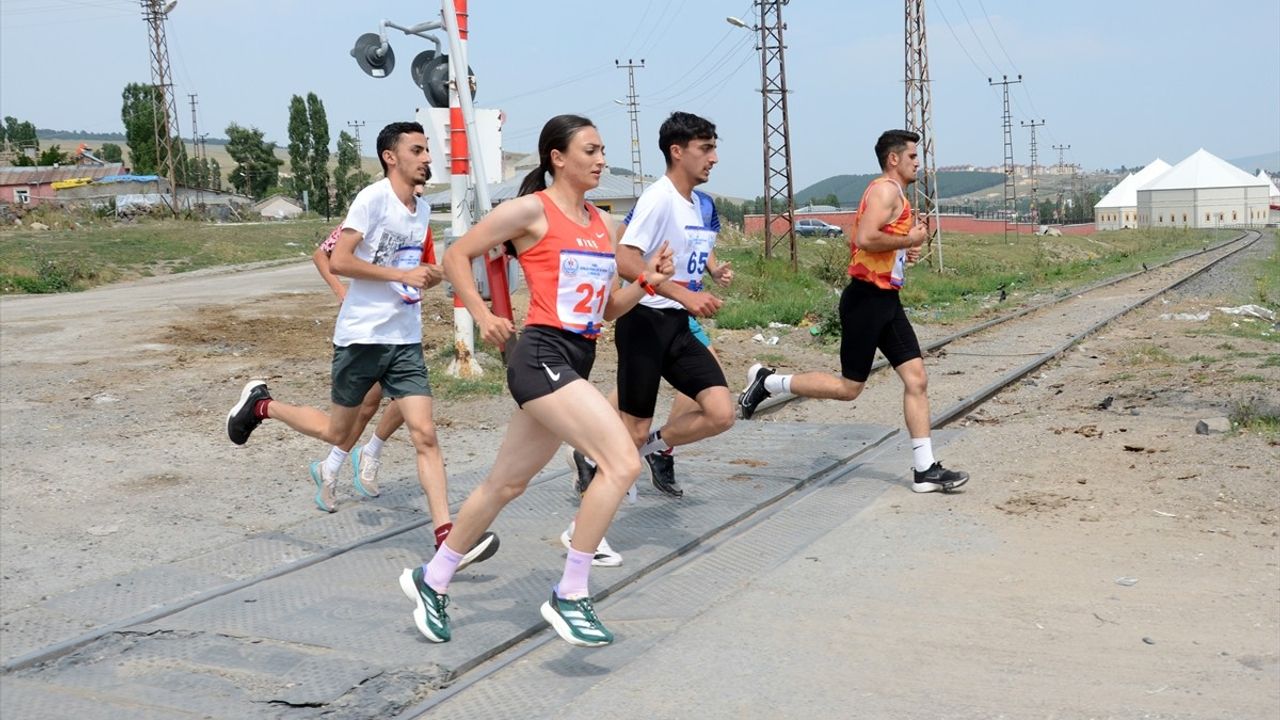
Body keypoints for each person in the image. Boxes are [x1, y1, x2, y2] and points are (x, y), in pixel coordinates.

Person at [398, 114, 675, 647]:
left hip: (575, 356)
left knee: (505, 484)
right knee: (621, 462)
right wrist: (481, 316)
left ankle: (431, 580)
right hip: (540, 355)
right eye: (590, 150)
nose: (601, 160)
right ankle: (571, 593)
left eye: (602, 150)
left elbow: (606, 310)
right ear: (558, 157)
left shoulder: (604, 225)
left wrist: (646, 282)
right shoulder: (530, 210)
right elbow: (457, 253)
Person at [226, 121, 497, 566]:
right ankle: (261, 405)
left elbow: (410, 267)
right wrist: (399, 275)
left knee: (425, 434)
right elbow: (339, 259)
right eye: (418, 150)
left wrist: (427, 277)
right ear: (391, 157)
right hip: (361, 338)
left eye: (428, 150)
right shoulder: (372, 199)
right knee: (339, 431)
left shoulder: (424, 211)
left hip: (404, 338)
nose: (427, 158)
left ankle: (446, 537)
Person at [738, 129, 969, 493]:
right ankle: (768, 382)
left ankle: (925, 469)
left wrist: (902, 253)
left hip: (886, 301)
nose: (917, 163)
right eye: (912, 157)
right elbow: (864, 236)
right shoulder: (884, 190)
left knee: (916, 379)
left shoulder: (897, 195)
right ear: (893, 159)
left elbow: (874, 243)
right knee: (849, 388)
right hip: (865, 301)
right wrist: (910, 240)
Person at [562, 176, 734, 566]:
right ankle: (582, 528)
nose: (714, 159)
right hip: (644, 322)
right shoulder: (658, 197)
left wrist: (711, 272)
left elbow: (697, 249)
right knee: (630, 429)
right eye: (706, 148)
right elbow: (624, 256)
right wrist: (676, 290)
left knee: (721, 412)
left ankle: (644, 449)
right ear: (679, 151)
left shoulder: (701, 203)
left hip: (679, 323)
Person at [310, 224, 409, 505]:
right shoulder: (368, 214)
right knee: (366, 405)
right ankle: (331, 467)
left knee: (409, 398)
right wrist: (340, 291)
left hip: (401, 322)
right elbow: (322, 254)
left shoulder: (417, 218)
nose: (418, 189)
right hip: (367, 324)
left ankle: (369, 451)